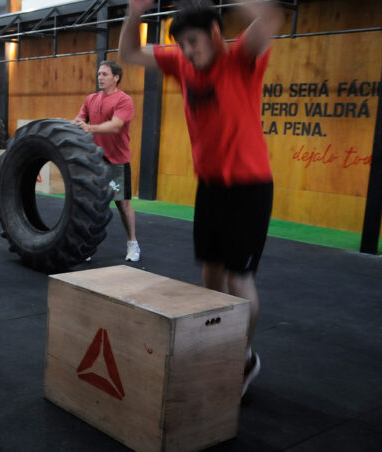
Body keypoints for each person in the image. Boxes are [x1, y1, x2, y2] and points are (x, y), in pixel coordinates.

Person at [119, 0, 284, 396]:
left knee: (238, 278)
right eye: (183, 44)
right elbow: (127, 53)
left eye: (193, 42)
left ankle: (243, 358)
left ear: (213, 34)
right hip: (210, 186)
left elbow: (273, 16)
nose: (189, 51)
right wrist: (135, 12)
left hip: (249, 186)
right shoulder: (182, 64)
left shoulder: (241, 58)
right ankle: (215, 346)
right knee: (210, 276)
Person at [72, 60, 141, 262]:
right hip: (94, 160)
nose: (100, 77)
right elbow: (79, 120)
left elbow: (115, 125)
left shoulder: (124, 100)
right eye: (99, 74)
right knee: (89, 204)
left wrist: (90, 128)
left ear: (116, 77)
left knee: (122, 204)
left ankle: (133, 243)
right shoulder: (91, 99)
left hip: (117, 161)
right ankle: (86, 246)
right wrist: (72, 124)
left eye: (105, 74)